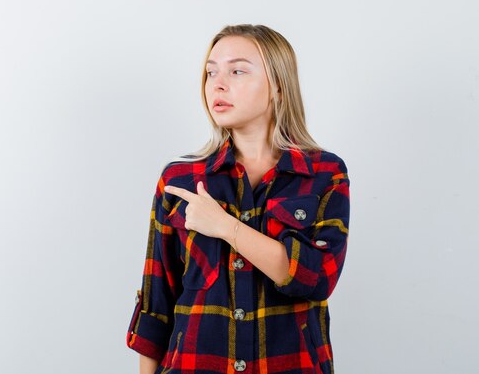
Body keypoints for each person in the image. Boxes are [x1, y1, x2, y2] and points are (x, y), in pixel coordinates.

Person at [126, 24, 351, 374]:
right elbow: (157, 304)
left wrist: (226, 227)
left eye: (237, 71)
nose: (217, 83)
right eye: (211, 72)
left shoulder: (324, 173)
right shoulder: (179, 181)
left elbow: (317, 278)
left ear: (278, 85)